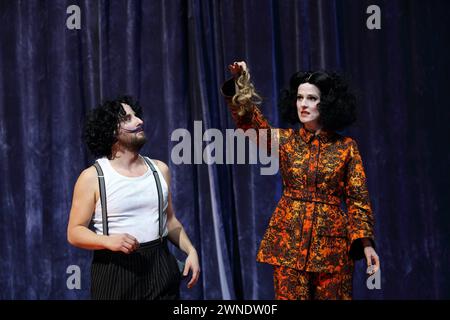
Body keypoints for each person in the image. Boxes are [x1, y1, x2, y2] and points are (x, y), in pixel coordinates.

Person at [221, 61, 380, 300]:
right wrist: (241, 83)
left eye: (311, 99)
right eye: (299, 98)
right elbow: (250, 124)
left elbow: (358, 200)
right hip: (288, 245)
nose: (303, 104)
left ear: (326, 103)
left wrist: (366, 243)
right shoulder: (285, 141)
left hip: (332, 251)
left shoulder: (346, 148)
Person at [67, 96, 200, 300]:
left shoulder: (160, 170)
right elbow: (74, 232)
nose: (139, 121)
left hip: (160, 268)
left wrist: (190, 250)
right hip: (115, 273)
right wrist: (108, 241)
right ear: (112, 131)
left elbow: (170, 220)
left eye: (136, 116)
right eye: (128, 118)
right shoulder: (93, 177)